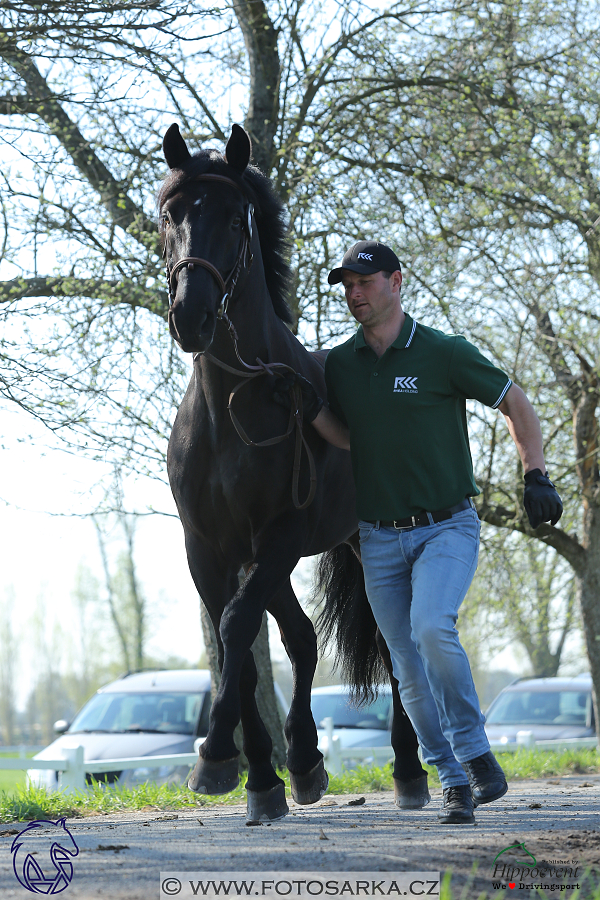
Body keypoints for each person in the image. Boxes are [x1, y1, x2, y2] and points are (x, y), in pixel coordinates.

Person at [275, 240, 563, 824]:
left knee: (432, 629)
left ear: (396, 282)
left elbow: (515, 401)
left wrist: (535, 471)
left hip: (446, 528)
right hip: (379, 539)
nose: (354, 295)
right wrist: (309, 408)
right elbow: (353, 437)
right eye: (346, 287)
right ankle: (453, 780)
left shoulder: (443, 352)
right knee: (405, 666)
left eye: (364, 282)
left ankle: (475, 751)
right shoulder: (341, 366)